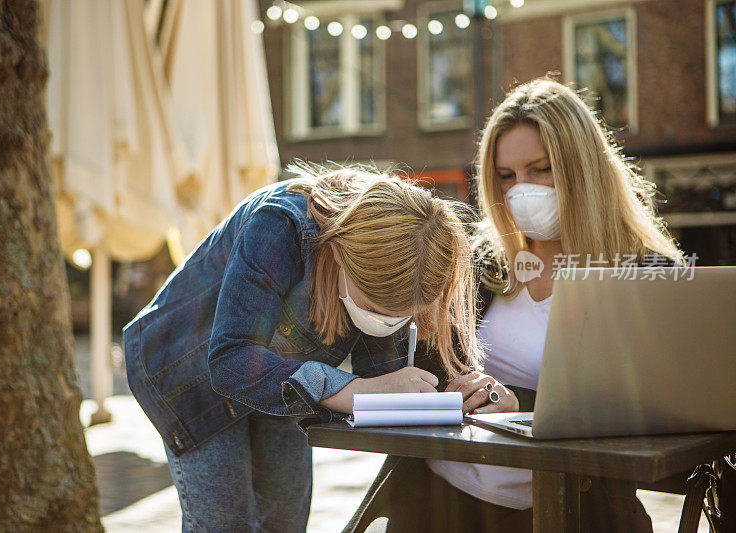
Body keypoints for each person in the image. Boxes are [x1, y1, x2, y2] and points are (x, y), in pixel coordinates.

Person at [346, 77, 684, 533]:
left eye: (540, 169)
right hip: (439, 503)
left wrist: (517, 405)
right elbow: (425, 365)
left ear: (583, 166)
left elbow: (651, 412)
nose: (521, 189)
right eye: (506, 176)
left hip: (574, 512)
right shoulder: (480, 259)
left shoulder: (646, 271)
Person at [123, 163, 482, 532]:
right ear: (343, 254)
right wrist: (348, 390)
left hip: (281, 379)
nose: (385, 324)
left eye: (400, 317)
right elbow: (232, 361)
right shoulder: (279, 226)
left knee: (286, 522)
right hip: (190, 375)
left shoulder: (403, 250)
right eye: (374, 309)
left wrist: (466, 390)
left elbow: (380, 375)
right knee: (226, 524)